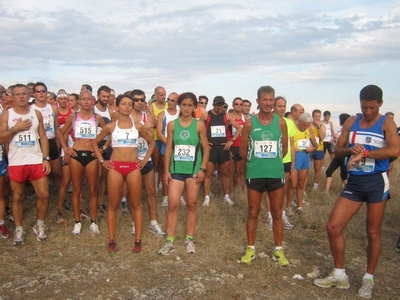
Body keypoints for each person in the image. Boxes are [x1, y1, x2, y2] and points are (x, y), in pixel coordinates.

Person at [313, 85, 400, 299]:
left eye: (372, 108)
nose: (368, 112)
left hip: (376, 183)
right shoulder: (352, 122)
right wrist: (351, 150)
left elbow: (395, 150)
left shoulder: (387, 123)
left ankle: (368, 278)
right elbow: (337, 149)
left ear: (380, 103)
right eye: (364, 107)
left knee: (372, 232)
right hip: (354, 182)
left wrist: (367, 152)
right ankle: (340, 274)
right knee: (333, 226)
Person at [93, 94, 154, 253]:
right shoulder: (111, 126)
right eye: (124, 104)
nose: (127, 106)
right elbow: (94, 142)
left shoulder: (138, 126)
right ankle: (111, 240)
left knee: (136, 204)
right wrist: (102, 161)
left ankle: (138, 240)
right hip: (115, 167)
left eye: (129, 104)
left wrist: (145, 160)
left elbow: (152, 143)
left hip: (133, 166)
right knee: (113, 205)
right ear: (118, 107)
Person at [239, 85, 289, 266]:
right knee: (253, 212)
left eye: (271, 100)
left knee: (277, 213)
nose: (268, 103)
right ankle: (250, 248)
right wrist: (257, 163)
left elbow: (284, 149)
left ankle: (278, 250)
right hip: (255, 173)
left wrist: (272, 162)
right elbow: (244, 151)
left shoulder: (281, 122)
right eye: (264, 100)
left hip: (275, 173)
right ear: (258, 101)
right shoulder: (250, 123)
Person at [158, 92, 209, 255]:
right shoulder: (172, 125)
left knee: (192, 203)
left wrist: (202, 168)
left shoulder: (199, 125)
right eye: (184, 104)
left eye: (190, 105)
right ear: (179, 105)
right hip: (176, 170)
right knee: (173, 204)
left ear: (195, 107)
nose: (186, 108)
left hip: (193, 171)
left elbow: (206, 148)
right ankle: (170, 241)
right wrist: (166, 170)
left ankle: (189, 239)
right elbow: (169, 149)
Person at [0, 83, 51, 245]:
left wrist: (46, 158)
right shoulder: (7, 115)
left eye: (24, 94)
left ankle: (39, 224)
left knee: (44, 194)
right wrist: (15, 129)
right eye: (18, 94)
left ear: (29, 95)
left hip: (36, 160)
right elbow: (1, 138)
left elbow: (43, 137)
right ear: (13, 97)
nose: (21, 97)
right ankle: (19, 228)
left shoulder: (36, 114)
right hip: (17, 162)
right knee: (17, 197)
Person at [59, 90, 107, 235]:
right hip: (76, 154)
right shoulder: (73, 117)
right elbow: (61, 134)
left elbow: (109, 133)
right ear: (79, 101)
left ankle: (93, 222)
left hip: (92, 155)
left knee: (93, 191)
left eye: (89, 99)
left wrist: (103, 148)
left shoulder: (97, 117)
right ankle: (77, 222)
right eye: (83, 99)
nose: (86, 102)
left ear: (93, 100)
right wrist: (66, 149)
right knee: (77, 190)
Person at [129, 89, 165, 237]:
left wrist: (145, 159)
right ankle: (134, 223)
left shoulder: (148, 115)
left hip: (146, 157)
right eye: (136, 99)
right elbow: (130, 136)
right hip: (131, 159)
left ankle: (153, 222)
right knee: (134, 194)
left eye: (142, 99)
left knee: (151, 192)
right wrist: (145, 128)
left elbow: (153, 132)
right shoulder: (124, 117)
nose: (139, 102)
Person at [199, 96, 242, 206]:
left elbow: (239, 128)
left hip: (224, 148)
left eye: (222, 105)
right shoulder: (206, 115)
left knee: (226, 173)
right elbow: (197, 129)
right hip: (211, 148)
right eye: (218, 105)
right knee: (208, 173)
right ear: (213, 105)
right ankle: (207, 197)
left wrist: (231, 141)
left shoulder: (226, 115)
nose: (220, 107)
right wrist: (204, 142)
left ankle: (226, 196)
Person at [266, 96, 295, 230]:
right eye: (279, 106)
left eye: (284, 106)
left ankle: (283, 214)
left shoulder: (289, 122)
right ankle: (270, 217)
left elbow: (291, 143)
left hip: (286, 160)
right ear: (274, 107)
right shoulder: (268, 121)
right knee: (269, 190)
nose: (282, 109)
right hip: (271, 160)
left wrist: (293, 161)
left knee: (283, 189)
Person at [31, 82, 62, 192]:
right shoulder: (31, 109)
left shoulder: (52, 108)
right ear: (34, 94)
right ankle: (41, 194)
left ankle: (59, 195)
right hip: (37, 143)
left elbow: (57, 128)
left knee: (58, 172)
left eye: (43, 91)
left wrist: (58, 145)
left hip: (50, 141)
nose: (41, 93)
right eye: (38, 91)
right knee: (40, 173)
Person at [156, 92, 185, 207]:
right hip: (166, 145)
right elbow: (159, 132)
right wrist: (168, 144)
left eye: (173, 100)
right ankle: (166, 196)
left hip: (180, 147)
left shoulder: (180, 114)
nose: (169, 101)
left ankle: (180, 195)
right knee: (165, 171)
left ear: (177, 102)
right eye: (168, 99)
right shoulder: (162, 114)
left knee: (179, 171)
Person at [286, 113, 317, 214]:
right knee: (293, 184)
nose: (306, 127)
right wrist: (296, 148)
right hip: (295, 157)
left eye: (308, 125)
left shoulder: (308, 129)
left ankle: (299, 206)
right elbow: (289, 144)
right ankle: (288, 206)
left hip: (305, 157)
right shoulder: (293, 128)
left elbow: (315, 143)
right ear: (299, 121)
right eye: (304, 124)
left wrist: (313, 148)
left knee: (301, 184)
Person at [147, 86, 167, 193]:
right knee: (155, 162)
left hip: (166, 137)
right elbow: (153, 123)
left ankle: (161, 183)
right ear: (155, 95)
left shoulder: (168, 105)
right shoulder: (152, 107)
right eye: (161, 94)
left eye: (164, 94)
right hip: (155, 137)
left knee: (164, 164)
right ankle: (154, 185)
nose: (164, 97)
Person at [324, 113, 350, 194]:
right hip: (338, 155)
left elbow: (336, 136)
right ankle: (326, 192)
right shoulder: (341, 129)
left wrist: (331, 126)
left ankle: (348, 191)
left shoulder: (346, 131)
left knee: (344, 175)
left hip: (344, 155)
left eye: (340, 120)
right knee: (329, 172)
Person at [228, 97, 246, 192]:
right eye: (236, 104)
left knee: (239, 171)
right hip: (231, 147)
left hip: (241, 147)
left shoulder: (246, 117)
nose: (238, 106)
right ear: (233, 105)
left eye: (240, 104)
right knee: (230, 171)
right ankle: (230, 192)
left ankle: (238, 191)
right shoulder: (229, 116)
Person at [309, 109, 326, 191]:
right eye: (316, 116)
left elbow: (322, 137)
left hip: (319, 149)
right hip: (310, 148)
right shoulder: (308, 125)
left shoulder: (322, 126)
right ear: (312, 116)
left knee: (317, 169)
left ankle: (315, 186)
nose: (318, 118)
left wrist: (318, 126)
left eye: (319, 116)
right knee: (306, 168)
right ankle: (303, 187)